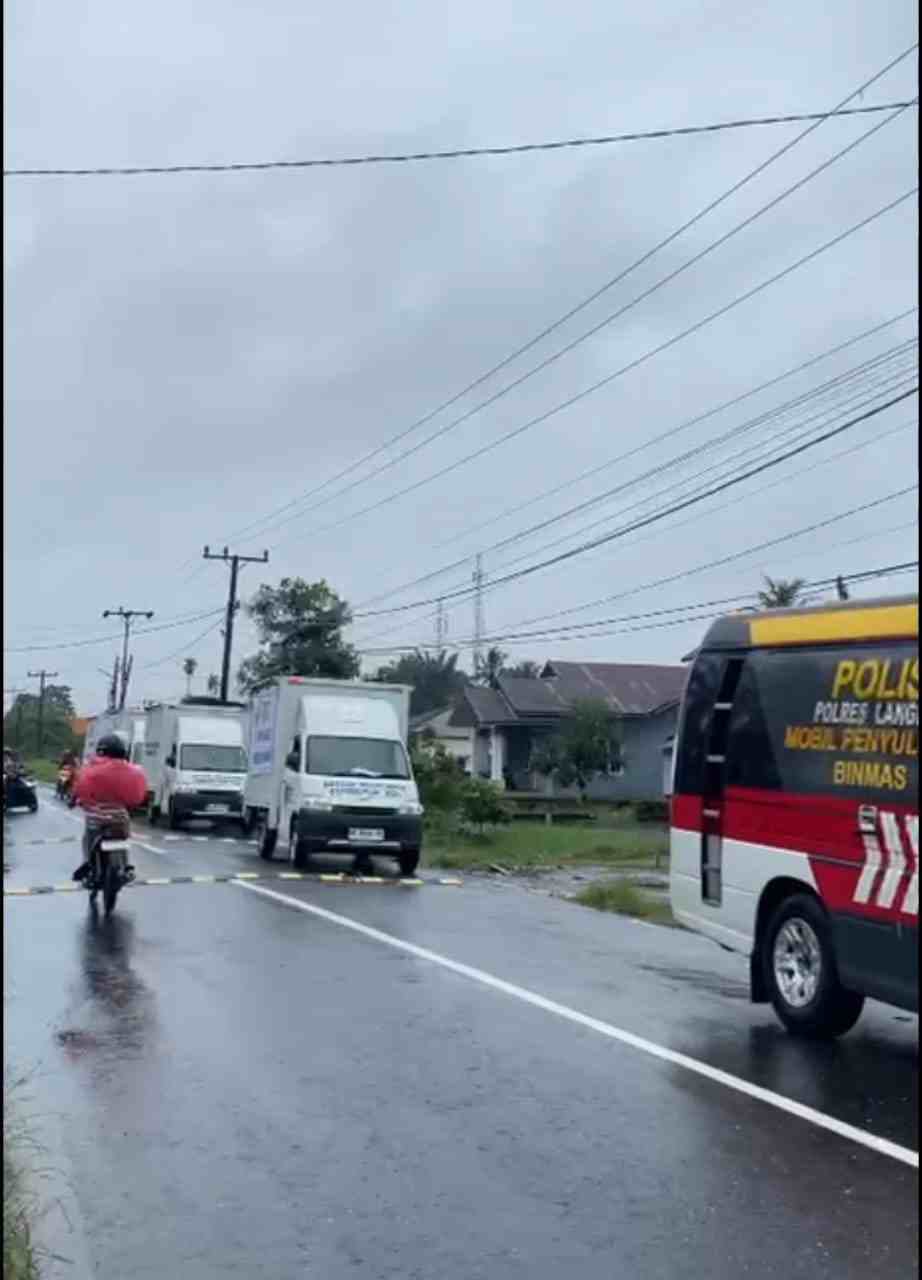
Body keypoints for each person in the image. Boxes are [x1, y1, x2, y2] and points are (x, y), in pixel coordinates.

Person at [72, 734, 147, 882]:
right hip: (120, 815)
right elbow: (138, 794)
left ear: (100, 751)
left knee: (88, 836)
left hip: (96, 816)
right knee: (124, 837)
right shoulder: (132, 770)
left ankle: (87, 862)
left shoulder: (92, 767)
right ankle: (125, 865)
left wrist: (76, 800)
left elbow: (80, 786)